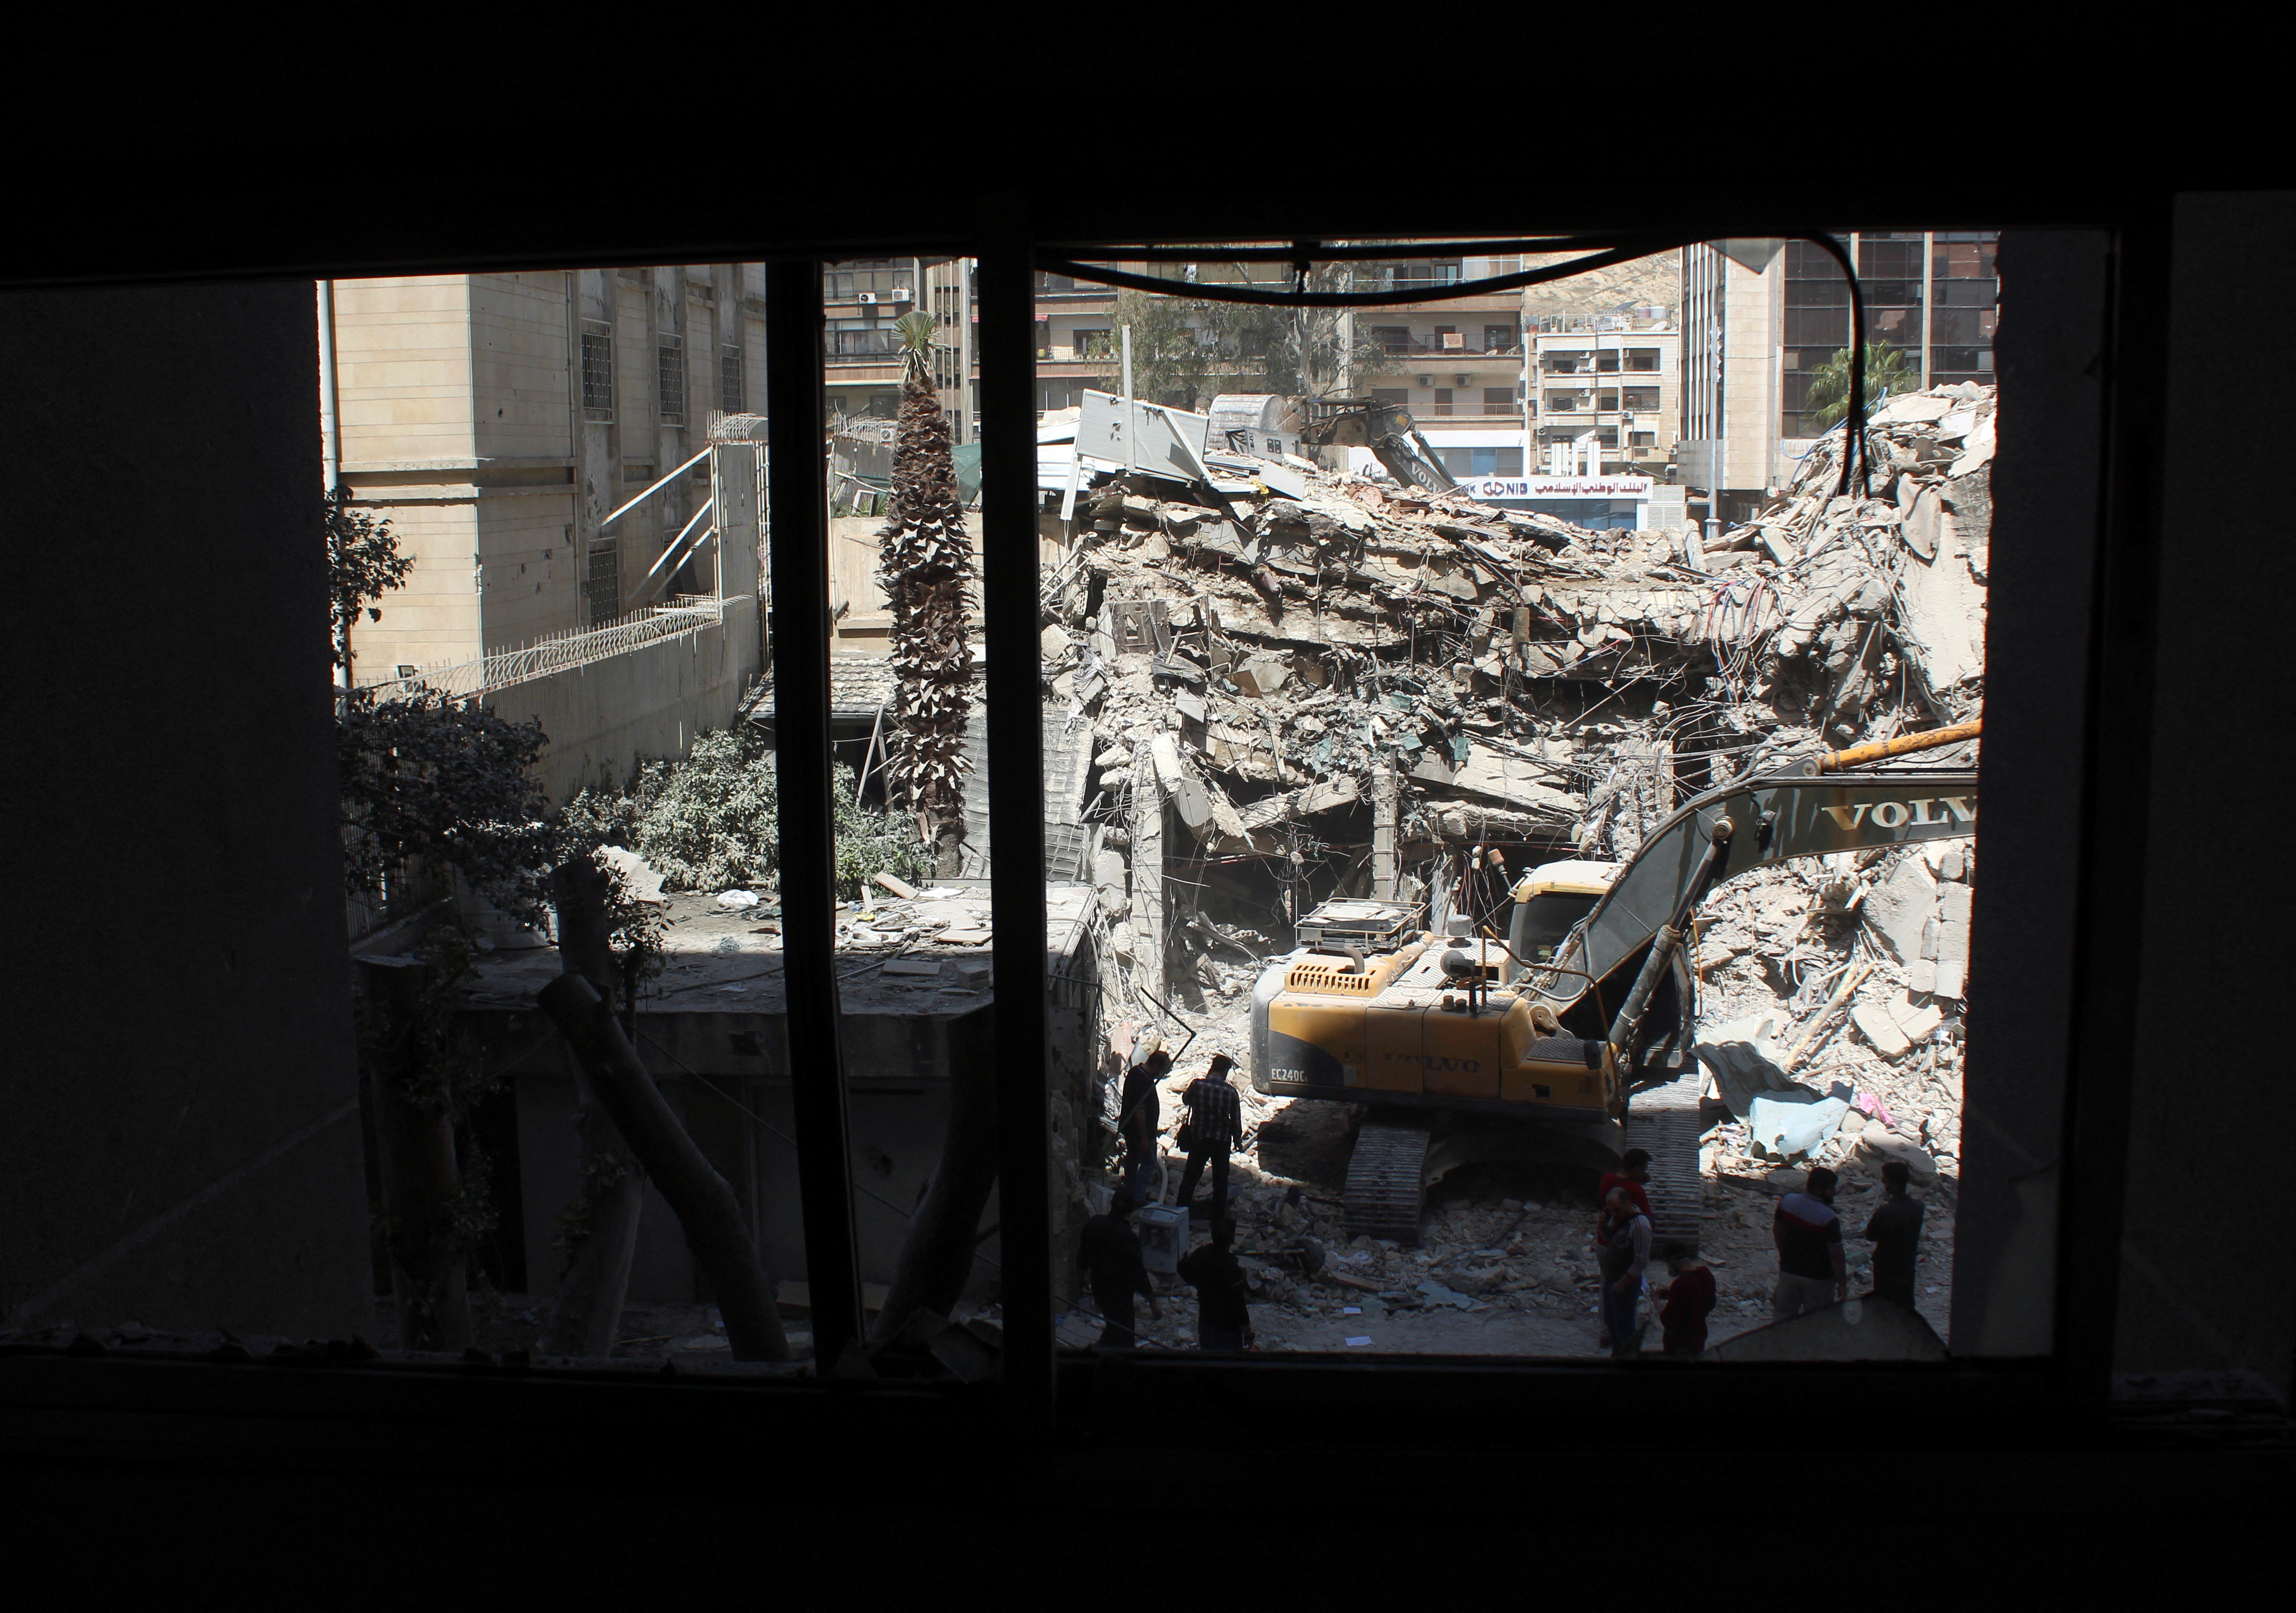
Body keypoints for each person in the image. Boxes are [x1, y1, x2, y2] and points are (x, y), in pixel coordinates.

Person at [1076, 1187, 1161, 1348]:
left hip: (1099, 1288)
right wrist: (1153, 1302)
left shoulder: (1094, 1224)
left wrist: (1082, 1281)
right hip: (1120, 1295)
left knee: (1114, 1327)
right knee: (1124, 1336)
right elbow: (1139, 1275)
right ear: (1131, 1210)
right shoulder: (1129, 1237)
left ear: (1111, 1203)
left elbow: (1082, 1258)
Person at [1173, 1053, 1244, 1223]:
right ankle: (1218, 1218)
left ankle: (1180, 1213)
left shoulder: (1198, 1085)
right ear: (1226, 1071)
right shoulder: (1231, 1092)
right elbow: (1236, 1121)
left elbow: (1185, 1100)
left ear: (1212, 1067)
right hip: (1221, 1141)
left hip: (1199, 1138)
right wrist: (1238, 1142)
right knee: (1220, 1181)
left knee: (1191, 1177)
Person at [1593, 1149, 1652, 1347]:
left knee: (1606, 1287)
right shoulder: (1635, 1191)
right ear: (1637, 1168)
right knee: (1626, 1294)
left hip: (1604, 1242)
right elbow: (1649, 1219)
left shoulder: (1607, 1180)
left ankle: (1605, 1332)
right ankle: (1624, 1338)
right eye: (1644, 1168)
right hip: (1625, 1247)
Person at [1772, 1165, 1848, 1320]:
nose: (1834, 1193)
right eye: (1831, 1189)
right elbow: (1837, 1256)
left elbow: (1777, 1231)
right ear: (1819, 1190)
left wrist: (1785, 1255)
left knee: (1782, 1318)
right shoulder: (1828, 1218)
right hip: (1818, 1280)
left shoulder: (1787, 1202)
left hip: (1789, 1272)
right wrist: (1842, 1283)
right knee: (1818, 1321)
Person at [1176, 1218, 1256, 1351]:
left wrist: (1197, 1284)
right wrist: (1249, 1335)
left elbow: (1183, 1267)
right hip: (1227, 1330)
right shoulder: (1231, 1269)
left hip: (1206, 1324)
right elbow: (1239, 1307)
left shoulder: (1201, 1254)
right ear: (1231, 1240)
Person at [1862, 1159, 1924, 1310]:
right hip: (1907, 1265)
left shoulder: (1885, 1212)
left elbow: (1870, 1236)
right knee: (1906, 1305)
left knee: (1885, 1306)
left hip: (1886, 1267)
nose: (1882, 1183)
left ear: (1894, 1186)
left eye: (1885, 1181)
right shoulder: (1919, 1206)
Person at [1116, 1048, 1171, 1203]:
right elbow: (1140, 1113)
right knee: (1149, 1163)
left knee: (1133, 1162)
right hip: (1140, 1133)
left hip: (1130, 1130)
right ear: (1156, 1067)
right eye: (1163, 1070)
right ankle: (1137, 1196)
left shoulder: (1135, 1072)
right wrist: (1145, 1138)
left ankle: (1129, 1194)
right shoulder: (1144, 1082)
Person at [1652, 1240, 1716, 1356]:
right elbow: (1697, 1299)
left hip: (1680, 1345)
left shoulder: (1682, 1284)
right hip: (1699, 1337)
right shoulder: (1705, 1274)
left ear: (1672, 1260)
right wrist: (1670, 1294)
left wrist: (1656, 1300)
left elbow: (1668, 1321)